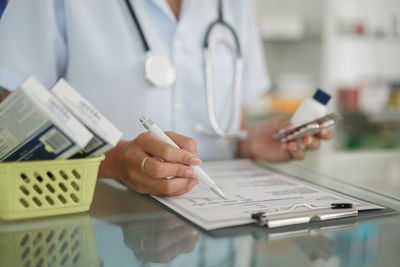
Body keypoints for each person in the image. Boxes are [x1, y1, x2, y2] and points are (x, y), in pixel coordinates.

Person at [0, 0, 332, 197]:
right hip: (97, 224)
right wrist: (117, 163)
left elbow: (230, 122)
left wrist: (249, 143)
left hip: (217, 235)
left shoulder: (235, 4)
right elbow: (10, 120)